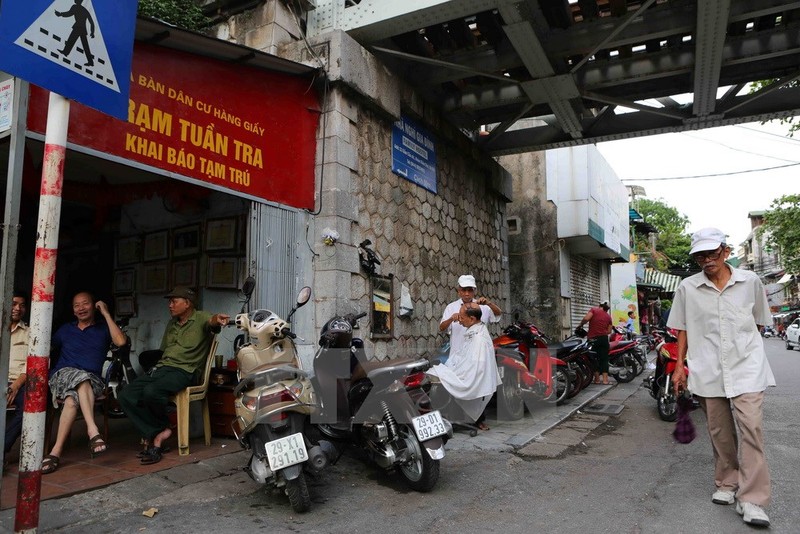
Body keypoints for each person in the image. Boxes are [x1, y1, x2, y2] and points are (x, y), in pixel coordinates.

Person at [668, 227, 775, 527]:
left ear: (726, 252)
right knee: (719, 430)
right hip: (707, 367)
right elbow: (682, 328)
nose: (706, 260)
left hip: (746, 366)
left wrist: (747, 349)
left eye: (712, 253)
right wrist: (679, 367)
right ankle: (727, 482)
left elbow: (758, 322)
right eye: (700, 255)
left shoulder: (750, 281)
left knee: (751, 427)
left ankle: (753, 499)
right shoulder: (688, 288)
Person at [119, 287, 229, 465]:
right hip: (163, 368)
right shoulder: (171, 324)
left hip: (186, 371)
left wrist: (218, 319)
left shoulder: (200, 317)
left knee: (151, 391)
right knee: (126, 394)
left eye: (174, 301)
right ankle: (159, 430)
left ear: (187, 303)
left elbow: (212, 321)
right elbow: (164, 352)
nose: (170, 305)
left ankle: (157, 436)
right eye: (169, 302)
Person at [43, 292, 127, 474]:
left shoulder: (104, 328)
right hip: (63, 375)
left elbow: (120, 341)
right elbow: (44, 347)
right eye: (76, 305)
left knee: (73, 400)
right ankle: (92, 430)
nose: (81, 308)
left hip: (92, 381)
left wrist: (105, 313)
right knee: (81, 378)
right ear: (73, 310)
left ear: (93, 306)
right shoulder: (65, 329)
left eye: (85, 304)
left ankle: (55, 452)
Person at [439, 274, 501, 430]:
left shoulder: (481, 307)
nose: (467, 294)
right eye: (463, 290)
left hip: (476, 355)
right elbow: (441, 327)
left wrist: (489, 303)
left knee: (478, 387)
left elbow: (498, 314)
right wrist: (451, 319)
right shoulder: (451, 308)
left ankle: (478, 420)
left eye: (470, 290)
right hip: (458, 354)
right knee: (456, 386)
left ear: (474, 291)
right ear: (458, 291)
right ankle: (456, 419)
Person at [4, 292, 29, 460]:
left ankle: (2, 449)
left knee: (28, 407)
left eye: (21, 305)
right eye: (13, 304)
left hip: (19, 382)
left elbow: (31, 365)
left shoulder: (30, 332)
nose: (17, 308)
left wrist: (16, 385)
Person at [576, 300, 612, 385]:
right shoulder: (608, 316)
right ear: (607, 309)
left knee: (594, 359)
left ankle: (596, 380)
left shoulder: (594, 310)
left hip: (593, 339)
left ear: (600, 305)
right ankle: (605, 380)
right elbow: (609, 331)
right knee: (604, 359)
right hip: (603, 339)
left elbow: (586, 318)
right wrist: (602, 332)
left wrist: (581, 325)